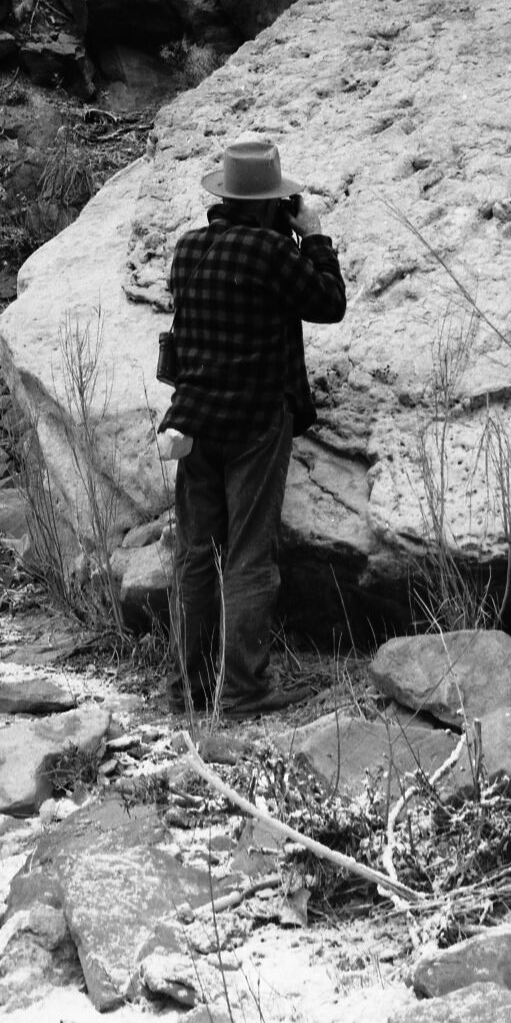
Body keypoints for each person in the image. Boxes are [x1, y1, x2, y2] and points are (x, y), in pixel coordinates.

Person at [158, 134, 346, 716]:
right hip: (254, 420)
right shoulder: (271, 252)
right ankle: (242, 689)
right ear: (270, 203)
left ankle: (190, 687)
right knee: (247, 557)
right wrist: (312, 235)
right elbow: (329, 302)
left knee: (196, 554)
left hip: (192, 421)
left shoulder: (188, 249)